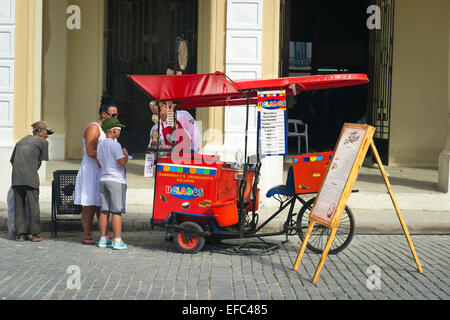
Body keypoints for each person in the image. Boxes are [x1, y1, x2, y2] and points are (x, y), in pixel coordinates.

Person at [74, 96, 118, 245]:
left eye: (117, 115)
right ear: (103, 114)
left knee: (102, 203)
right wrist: (109, 157)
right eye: (113, 115)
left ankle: (104, 235)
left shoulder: (109, 129)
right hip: (92, 169)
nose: (116, 117)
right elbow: (91, 150)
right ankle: (87, 234)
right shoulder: (94, 127)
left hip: (104, 169)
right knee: (90, 203)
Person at [10, 121, 53, 242]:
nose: (47, 135)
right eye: (46, 132)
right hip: (30, 177)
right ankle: (35, 234)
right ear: (39, 131)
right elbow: (39, 162)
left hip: (16, 178)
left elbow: (13, 161)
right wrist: (32, 172)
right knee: (33, 205)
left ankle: (21, 235)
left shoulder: (20, 141)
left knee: (19, 206)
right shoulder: (43, 142)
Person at [96, 118, 128, 250]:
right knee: (116, 211)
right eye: (117, 129)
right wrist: (125, 154)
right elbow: (122, 162)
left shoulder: (101, 144)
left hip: (103, 178)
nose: (119, 131)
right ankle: (117, 240)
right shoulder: (115, 145)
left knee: (104, 211)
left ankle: (103, 239)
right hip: (116, 180)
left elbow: (99, 163)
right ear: (112, 130)